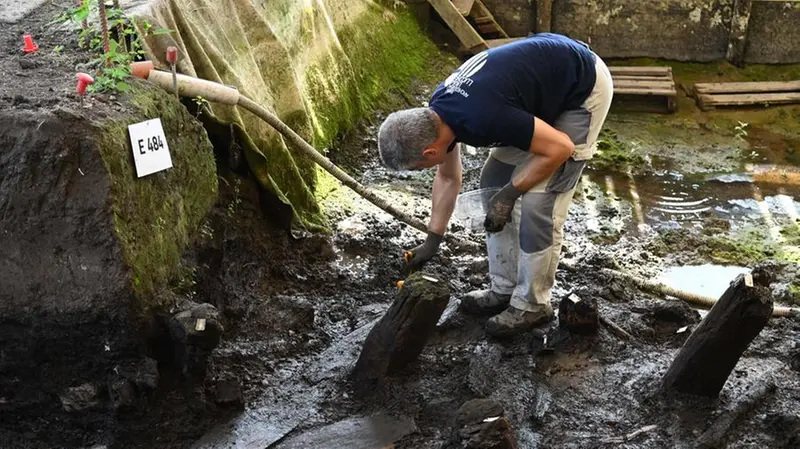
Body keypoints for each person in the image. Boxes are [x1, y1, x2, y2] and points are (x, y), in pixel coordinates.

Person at [377, 33, 613, 338]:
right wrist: (433, 239)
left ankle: (532, 304)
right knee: (492, 183)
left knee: (538, 205)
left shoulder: (483, 117)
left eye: (420, 166)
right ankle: (504, 289)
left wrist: (511, 193)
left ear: (429, 152)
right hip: (536, 88)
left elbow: (561, 149)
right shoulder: (437, 114)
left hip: (581, 87)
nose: (426, 169)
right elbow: (448, 177)